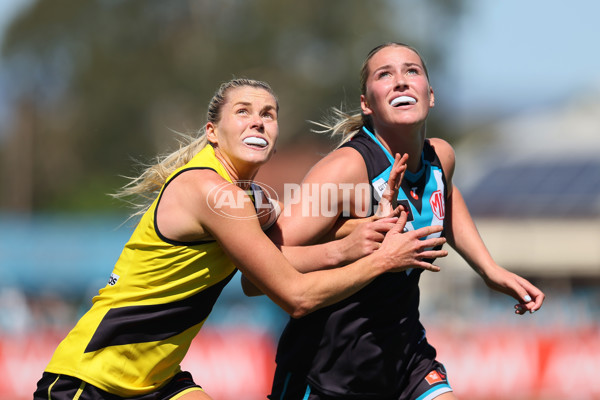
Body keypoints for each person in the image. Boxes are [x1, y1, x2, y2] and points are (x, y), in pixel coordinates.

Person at [32, 78, 449, 400]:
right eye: (244, 112)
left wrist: (356, 234)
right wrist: (380, 260)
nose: (258, 121)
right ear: (213, 131)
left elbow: (273, 259)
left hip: (155, 382)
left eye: (268, 114)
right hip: (90, 379)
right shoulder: (213, 193)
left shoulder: (255, 199)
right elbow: (295, 295)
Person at [258, 43, 546, 400]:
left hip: (406, 360)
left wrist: (488, 270)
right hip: (326, 372)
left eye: (412, 71)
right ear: (367, 103)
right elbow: (261, 265)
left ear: (431, 94)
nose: (400, 82)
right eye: (385, 74)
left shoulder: (441, 157)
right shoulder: (347, 170)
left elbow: (446, 197)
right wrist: (349, 247)